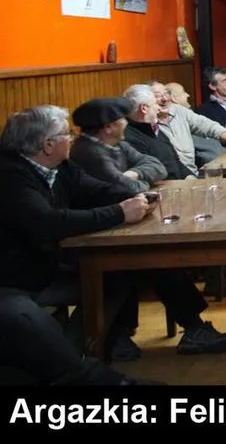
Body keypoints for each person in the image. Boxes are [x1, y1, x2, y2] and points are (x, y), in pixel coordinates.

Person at [0, 105, 152, 385]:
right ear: (48, 145)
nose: (72, 138)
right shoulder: (9, 175)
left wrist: (137, 197)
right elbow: (47, 222)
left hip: (44, 273)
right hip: (10, 283)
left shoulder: (60, 167)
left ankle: (75, 360)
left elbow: (98, 190)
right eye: (66, 133)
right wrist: (120, 212)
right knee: (30, 324)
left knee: (111, 280)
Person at [69, 97, 167, 195]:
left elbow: (159, 167)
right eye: (123, 119)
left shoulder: (118, 144)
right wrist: (145, 183)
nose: (126, 123)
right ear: (108, 127)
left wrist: (135, 174)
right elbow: (128, 189)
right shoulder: (89, 153)